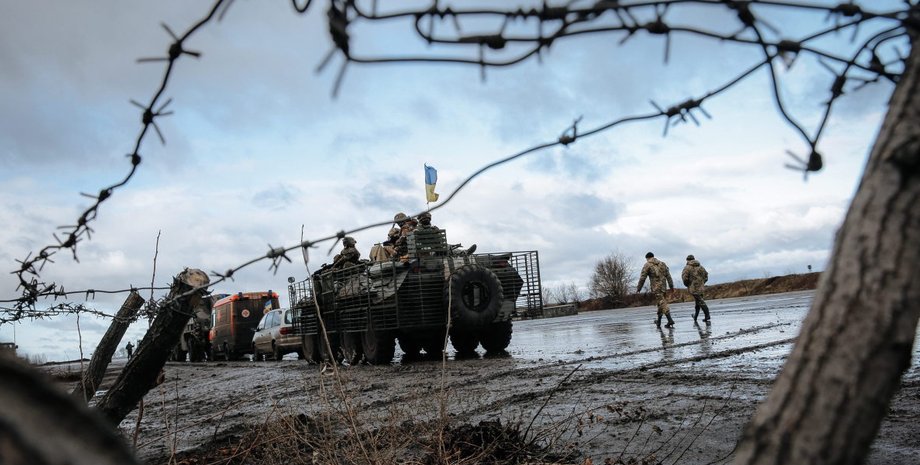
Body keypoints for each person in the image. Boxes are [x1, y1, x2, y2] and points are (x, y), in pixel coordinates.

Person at [636, 252, 675, 327]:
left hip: (656, 288)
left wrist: (639, 288)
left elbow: (642, 277)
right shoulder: (662, 264)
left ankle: (670, 320)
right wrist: (671, 286)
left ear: (647, 258)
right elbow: (668, 276)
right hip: (664, 287)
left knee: (662, 303)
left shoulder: (647, 265)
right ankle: (659, 321)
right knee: (660, 304)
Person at [681, 254, 711, 322]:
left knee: (700, 301)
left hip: (693, 287)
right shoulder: (701, 267)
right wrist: (702, 283)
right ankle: (695, 317)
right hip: (701, 287)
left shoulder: (687, 267)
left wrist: (688, 285)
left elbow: (685, 278)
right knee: (698, 302)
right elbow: (706, 276)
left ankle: (707, 315)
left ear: (687, 260)